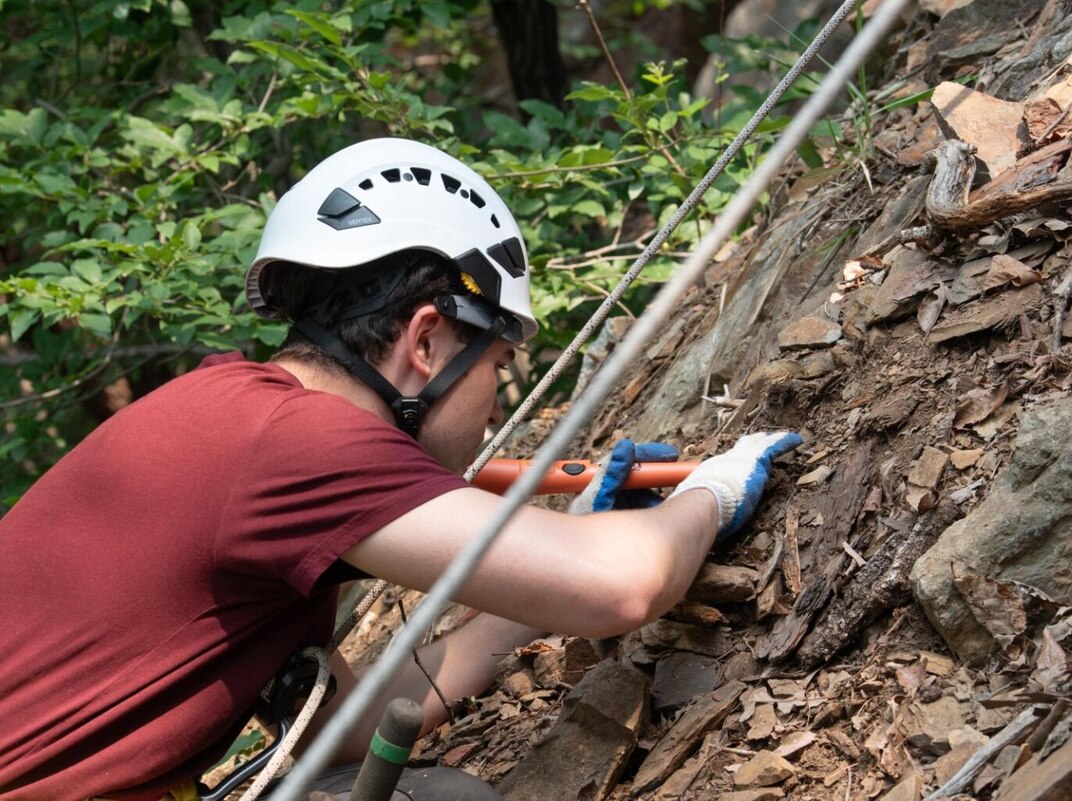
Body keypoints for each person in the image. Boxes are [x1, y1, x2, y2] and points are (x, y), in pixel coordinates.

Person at [0, 138, 801, 801]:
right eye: (499, 365)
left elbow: (343, 725)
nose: (494, 407)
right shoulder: (300, 444)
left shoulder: (234, 417)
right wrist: (710, 490)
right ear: (425, 342)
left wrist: (543, 577)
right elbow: (622, 587)